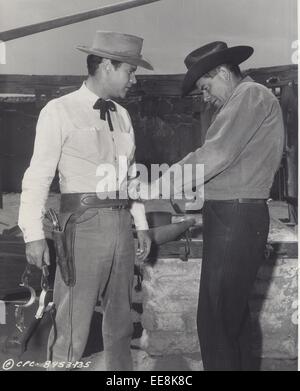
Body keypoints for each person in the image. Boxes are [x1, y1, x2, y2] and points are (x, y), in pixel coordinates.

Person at [141, 41, 284, 371]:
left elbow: (214, 156)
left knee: (215, 321)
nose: (206, 98)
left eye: (205, 87)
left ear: (222, 72)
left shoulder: (250, 95)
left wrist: (154, 187)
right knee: (230, 319)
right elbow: (223, 167)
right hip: (233, 214)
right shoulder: (250, 99)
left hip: (235, 216)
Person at [18, 31, 152, 371]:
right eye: (130, 71)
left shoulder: (123, 116)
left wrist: (141, 225)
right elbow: (38, 175)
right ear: (107, 66)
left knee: (121, 325)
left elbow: (130, 178)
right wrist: (33, 234)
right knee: (72, 326)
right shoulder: (59, 110)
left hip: (121, 226)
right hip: (82, 227)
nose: (133, 80)